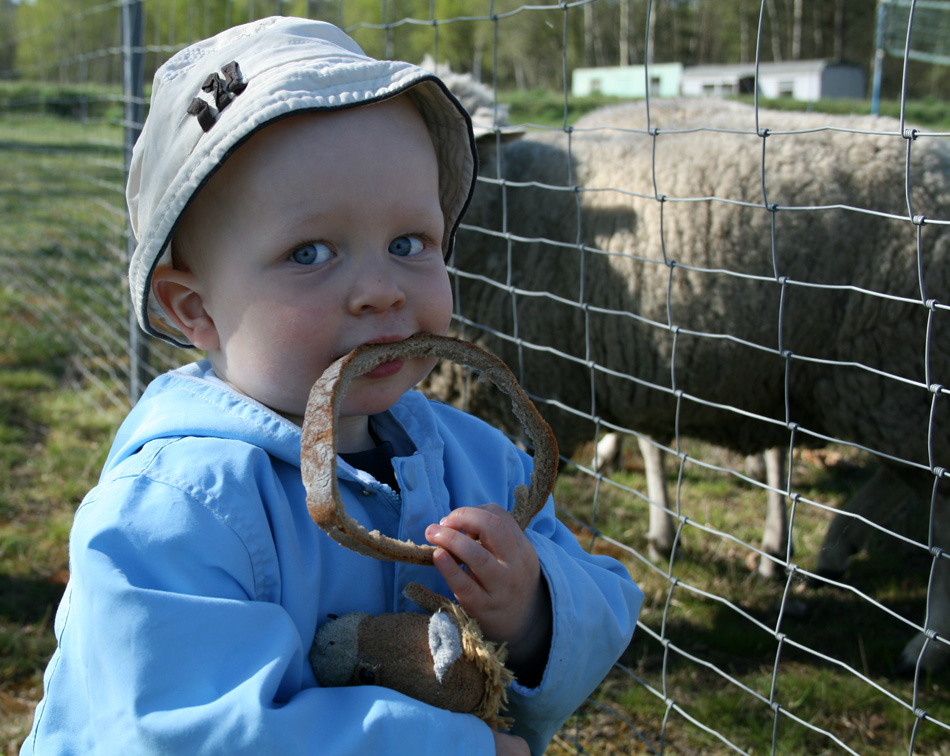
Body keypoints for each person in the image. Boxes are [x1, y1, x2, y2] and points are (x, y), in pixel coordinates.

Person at [21, 16, 642, 756]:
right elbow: (190, 732)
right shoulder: (173, 509)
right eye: (310, 252)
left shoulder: (478, 462)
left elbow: (603, 602)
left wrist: (532, 607)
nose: (380, 290)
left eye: (409, 243)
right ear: (195, 309)